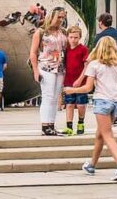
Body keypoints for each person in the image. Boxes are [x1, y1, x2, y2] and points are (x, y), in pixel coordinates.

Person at [66, 36, 117, 182]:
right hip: (116, 102)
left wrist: (71, 90)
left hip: (102, 101)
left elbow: (87, 87)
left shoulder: (95, 65)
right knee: (100, 135)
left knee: (107, 135)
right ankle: (91, 165)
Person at [30, 7, 68, 136]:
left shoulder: (63, 32)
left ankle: (51, 124)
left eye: (63, 17)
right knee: (47, 96)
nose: (61, 20)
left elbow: (67, 50)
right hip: (46, 66)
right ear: (52, 16)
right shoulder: (41, 32)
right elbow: (33, 53)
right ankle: (45, 125)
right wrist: (36, 70)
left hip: (60, 68)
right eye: (59, 17)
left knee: (55, 97)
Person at [61, 25, 89, 137]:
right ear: (67, 37)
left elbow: (87, 65)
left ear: (80, 38)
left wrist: (80, 79)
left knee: (81, 104)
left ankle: (81, 122)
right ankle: (69, 126)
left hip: (80, 82)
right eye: (71, 37)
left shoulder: (83, 49)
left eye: (76, 37)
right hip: (68, 81)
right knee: (69, 104)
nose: (73, 40)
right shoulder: (65, 49)